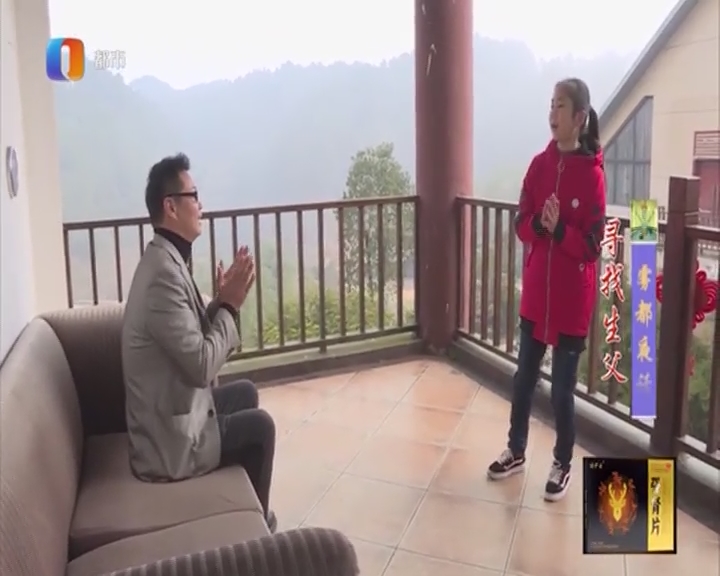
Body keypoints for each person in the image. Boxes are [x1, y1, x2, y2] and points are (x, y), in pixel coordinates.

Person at [121, 153, 277, 531]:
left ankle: (243, 511)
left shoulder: (167, 258)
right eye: (194, 195)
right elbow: (201, 366)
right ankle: (258, 535)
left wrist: (220, 303)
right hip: (167, 443)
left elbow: (186, 337)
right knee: (261, 428)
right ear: (171, 206)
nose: (200, 204)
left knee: (245, 392)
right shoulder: (162, 276)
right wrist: (231, 307)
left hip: (173, 410)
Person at [486, 78, 606, 502]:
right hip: (537, 297)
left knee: (560, 392)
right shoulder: (539, 165)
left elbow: (593, 245)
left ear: (579, 117)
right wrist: (540, 224)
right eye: (550, 105)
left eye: (560, 107)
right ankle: (516, 450)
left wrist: (559, 231)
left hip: (572, 303)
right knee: (523, 381)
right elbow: (521, 223)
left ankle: (562, 462)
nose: (552, 114)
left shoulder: (593, 176)